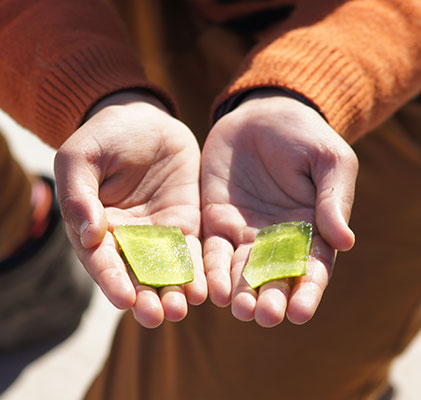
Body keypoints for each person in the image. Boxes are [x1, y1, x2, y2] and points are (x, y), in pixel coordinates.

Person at [0, 0, 420, 398]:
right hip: (111, 20)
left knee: (234, 377)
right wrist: (96, 93)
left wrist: (307, 87)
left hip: (374, 54)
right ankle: (23, 239)